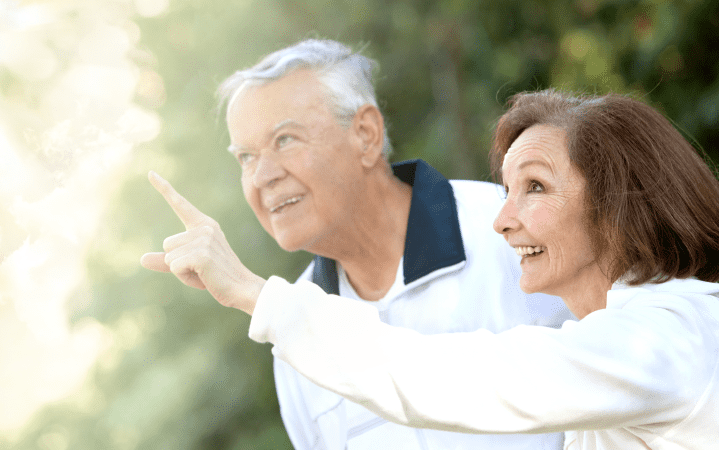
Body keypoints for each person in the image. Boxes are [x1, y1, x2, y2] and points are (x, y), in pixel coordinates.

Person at [142, 89, 719, 449]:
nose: (502, 220)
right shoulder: (635, 340)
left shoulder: (667, 338)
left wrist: (251, 294)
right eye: (506, 189)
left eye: (535, 187)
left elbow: (462, 378)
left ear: (615, 202)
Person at [141, 39, 573, 449]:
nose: (262, 176)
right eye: (246, 157)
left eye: (284, 140)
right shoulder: (293, 344)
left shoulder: (511, 234)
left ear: (365, 134)